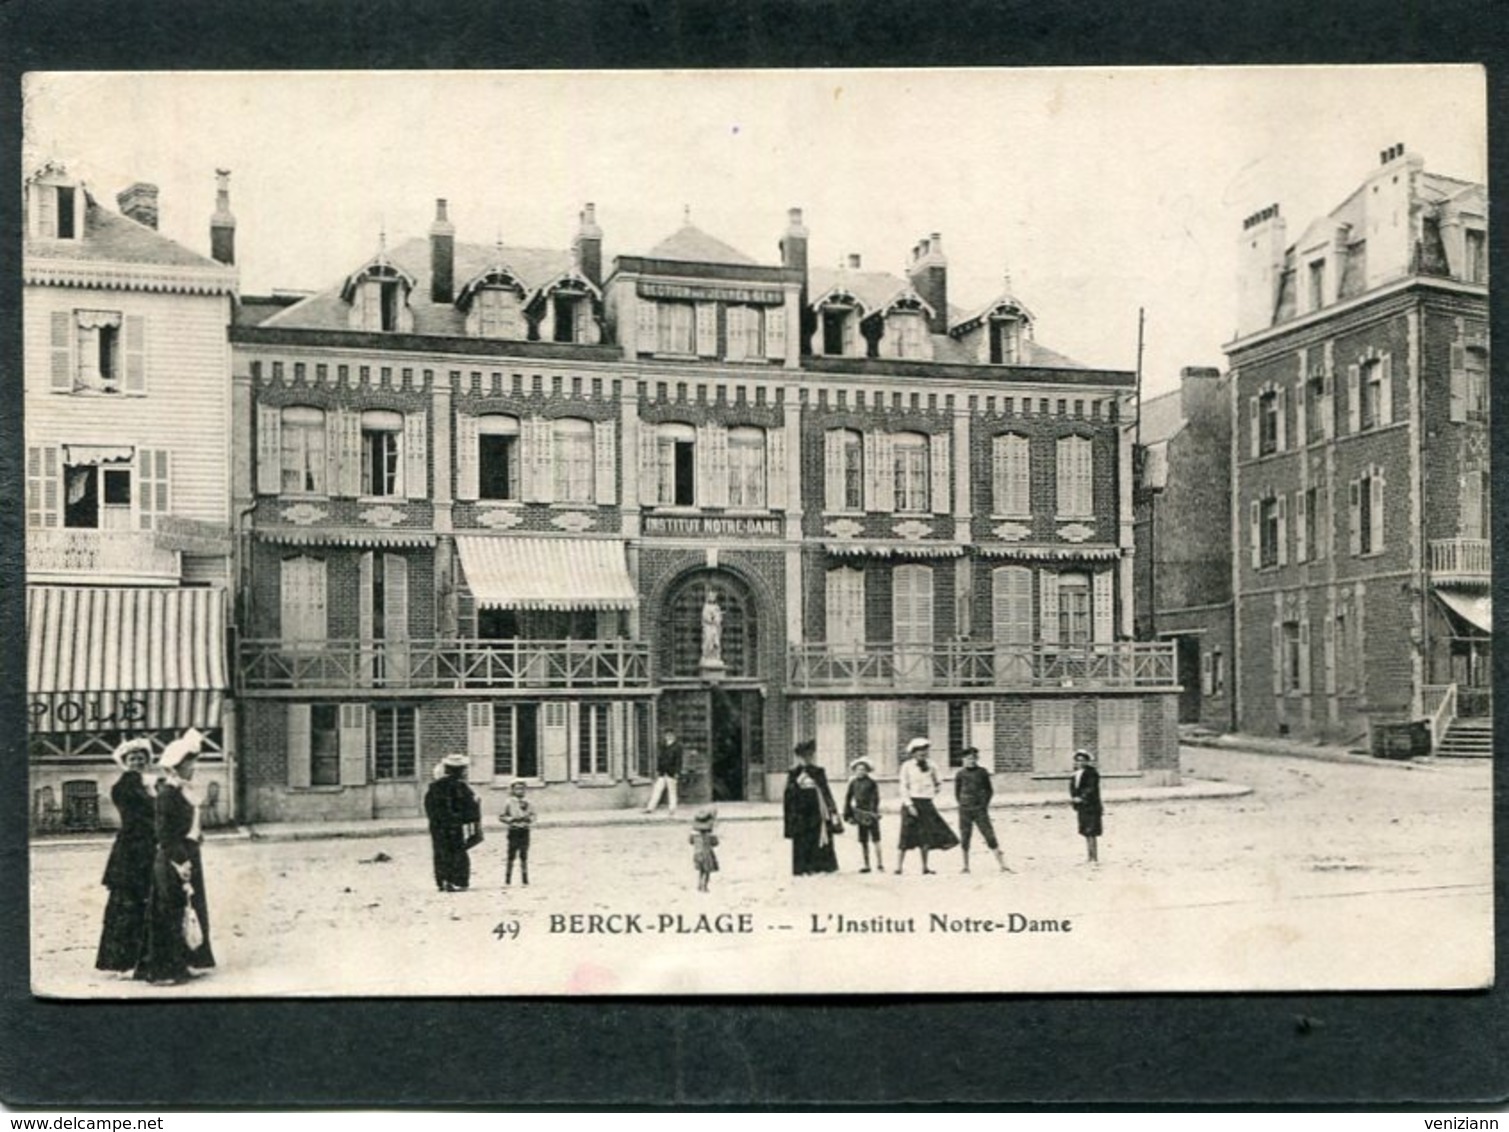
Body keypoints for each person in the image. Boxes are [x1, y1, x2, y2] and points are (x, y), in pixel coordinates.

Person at [134, 729, 215, 985]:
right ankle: (164, 970)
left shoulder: (183, 791)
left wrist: (196, 838)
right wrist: (181, 861)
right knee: (170, 911)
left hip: (187, 854)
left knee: (188, 908)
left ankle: (184, 959)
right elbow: (165, 834)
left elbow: (190, 825)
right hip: (173, 859)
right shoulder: (168, 795)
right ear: (177, 766)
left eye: (193, 763)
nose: (193, 768)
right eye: (189, 764)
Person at [95, 737, 157, 974]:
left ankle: (140, 958)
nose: (137, 762)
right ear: (124, 762)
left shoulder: (146, 784)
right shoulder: (125, 786)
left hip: (144, 848)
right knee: (129, 902)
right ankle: (123, 960)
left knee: (142, 901)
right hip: (132, 850)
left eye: (142, 758)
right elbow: (140, 818)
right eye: (132, 759)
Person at [894, 737, 958, 875]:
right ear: (913, 753)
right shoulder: (907, 766)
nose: (922, 753)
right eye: (918, 751)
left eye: (924, 751)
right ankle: (899, 867)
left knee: (925, 836)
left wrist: (932, 793)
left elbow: (939, 782)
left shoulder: (932, 765)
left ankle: (925, 867)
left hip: (926, 803)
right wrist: (909, 805)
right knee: (906, 835)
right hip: (910, 803)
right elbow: (903, 787)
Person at [783, 739, 841, 875]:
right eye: (803, 756)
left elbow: (825, 791)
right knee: (802, 837)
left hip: (817, 809)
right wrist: (796, 783)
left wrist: (832, 811)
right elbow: (788, 794)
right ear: (798, 757)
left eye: (809, 756)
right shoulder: (793, 773)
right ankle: (803, 867)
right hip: (800, 810)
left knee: (818, 836)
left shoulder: (818, 772)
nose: (806, 759)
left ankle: (820, 866)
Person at [425, 753, 482, 892]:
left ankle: (443, 880)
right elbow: (469, 806)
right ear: (460, 771)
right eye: (463, 769)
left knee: (441, 852)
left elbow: (429, 806)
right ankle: (458, 880)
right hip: (454, 825)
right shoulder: (461, 787)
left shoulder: (435, 786)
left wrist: (436, 820)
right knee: (457, 851)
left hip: (438, 826)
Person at [954, 746, 1010, 874]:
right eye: (968, 758)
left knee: (989, 835)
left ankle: (1003, 865)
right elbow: (957, 793)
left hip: (980, 809)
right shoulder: (960, 774)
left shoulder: (982, 772)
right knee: (965, 837)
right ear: (963, 760)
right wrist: (963, 804)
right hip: (964, 810)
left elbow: (989, 791)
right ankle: (965, 866)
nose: (971, 761)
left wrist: (983, 804)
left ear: (977, 759)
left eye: (973, 758)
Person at [842, 757, 884, 873]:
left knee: (876, 839)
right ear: (854, 771)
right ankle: (866, 865)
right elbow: (848, 798)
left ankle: (880, 864)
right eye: (858, 769)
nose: (860, 771)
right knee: (863, 840)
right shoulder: (853, 783)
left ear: (867, 771)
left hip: (871, 814)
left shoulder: (872, 783)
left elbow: (875, 799)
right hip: (859, 814)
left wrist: (872, 813)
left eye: (863, 769)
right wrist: (848, 815)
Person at [1069, 749, 1103, 864]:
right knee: (1085, 831)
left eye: (1083, 761)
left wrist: (1082, 797)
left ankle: (1094, 858)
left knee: (1092, 831)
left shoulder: (1092, 773)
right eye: (1077, 761)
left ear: (1087, 761)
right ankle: (1089, 857)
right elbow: (1073, 788)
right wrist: (1074, 798)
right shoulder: (1075, 774)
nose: (1080, 763)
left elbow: (1091, 788)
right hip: (1082, 807)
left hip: (1091, 806)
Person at [499, 779, 536, 886]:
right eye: (517, 789)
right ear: (512, 790)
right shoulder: (509, 802)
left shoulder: (529, 802)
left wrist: (529, 819)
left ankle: (525, 878)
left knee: (524, 854)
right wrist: (511, 820)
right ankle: (508, 878)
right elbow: (502, 816)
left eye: (522, 789)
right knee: (511, 854)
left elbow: (533, 814)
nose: (520, 791)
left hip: (524, 830)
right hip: (514, 830)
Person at [643, 728, 683, 816]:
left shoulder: (678, 747)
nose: (668, 737)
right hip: (663, 772)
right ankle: (650, 808)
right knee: (657, 789)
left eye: (670, 735)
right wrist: (659, 769)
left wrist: (677, 772)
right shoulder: (663, 746)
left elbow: (679, 761)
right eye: (667, 735)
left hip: (671, 772)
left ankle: (672, 809)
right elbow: (660, 759)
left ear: (674, 736)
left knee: (672, 791)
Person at [689, 806, 720, 892]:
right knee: (707, 871)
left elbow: (690, 841)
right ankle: (704, 886)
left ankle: (699, 884)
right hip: (707, 854)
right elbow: (715, 843)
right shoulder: (709, 834)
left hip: (697, 853)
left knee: (701, 871)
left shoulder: (695, 834)